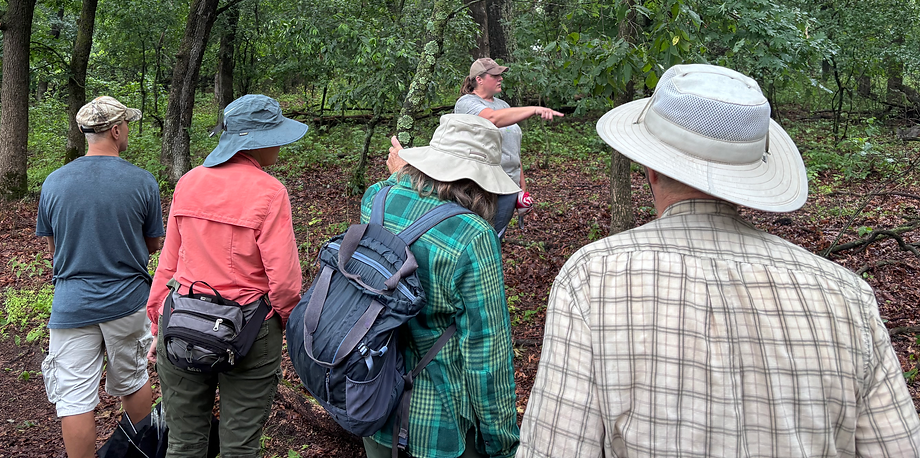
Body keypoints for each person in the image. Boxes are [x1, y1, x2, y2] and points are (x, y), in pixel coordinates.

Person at [518, 64, 920, 458]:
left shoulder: (593, 277)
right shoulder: (847, 295)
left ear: (650, 168)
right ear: (750, 176)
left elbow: (557, 446)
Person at [146, 94, 305, 458]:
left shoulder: (189, 182)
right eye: (275, 136)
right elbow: (283, 281)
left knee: (183, 443)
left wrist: (158, 323)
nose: (279, 144)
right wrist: (286, 324)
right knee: (240, 446)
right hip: (249, 330)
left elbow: (169, 262)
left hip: (182, 322)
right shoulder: (270, 191)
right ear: (256, 141)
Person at [362, 113, 521, 458]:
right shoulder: (473, 236)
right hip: (438, 425)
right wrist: (501, 443)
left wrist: (399, 175)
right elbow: (486, 354)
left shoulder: (376, 199)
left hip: (372, 400)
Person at [36, 96, 164, 458]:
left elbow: (53, 248)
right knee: (133, 380)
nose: (127, 133)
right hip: (127, 302)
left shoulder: (54, 182)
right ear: (115, 130)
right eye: (127, 126)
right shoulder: (142, 181)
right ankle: (145, 452)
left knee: (74, 397)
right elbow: (154, 242)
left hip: (72, 305)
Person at [454, 57, 563, 235]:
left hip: (508, 186)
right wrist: (534, 109)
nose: (501, 78)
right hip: (481, 187)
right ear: (479, 79)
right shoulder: (466, 103)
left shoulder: (502, 105)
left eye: (501, 74)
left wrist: (521, 188)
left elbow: (512, 150)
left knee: (497, 235)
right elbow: (492, 119)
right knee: (477, 236)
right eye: (495, 75)